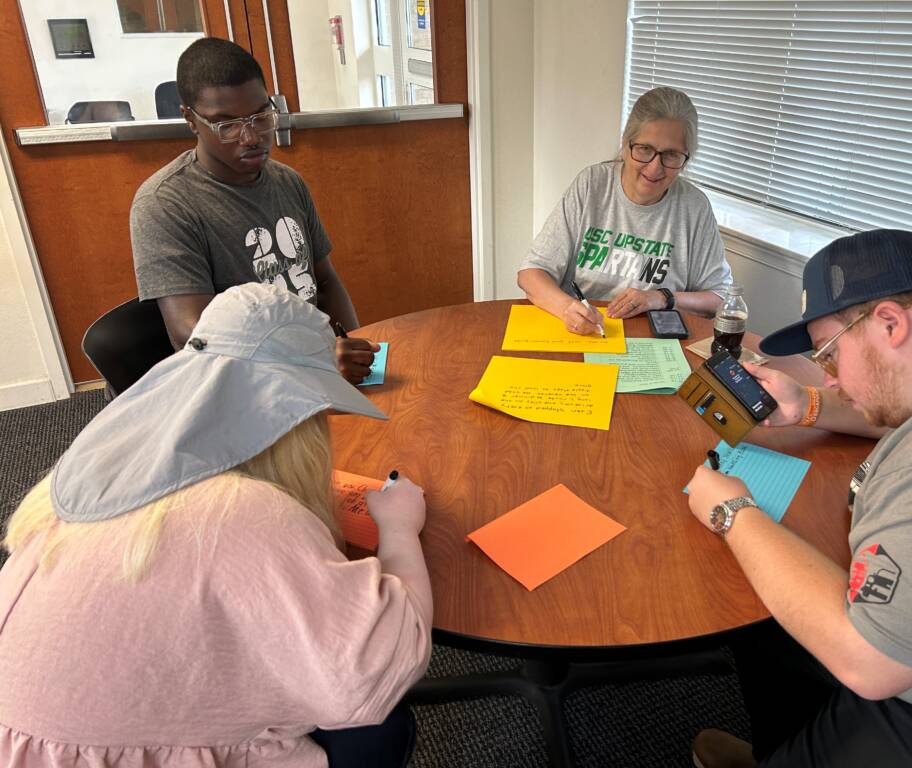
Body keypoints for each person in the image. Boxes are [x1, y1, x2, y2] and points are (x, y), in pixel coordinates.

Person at [0, 284, 432, 767]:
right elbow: (375, 668)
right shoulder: (245, 514)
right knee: (380, 729)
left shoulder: (92, 473)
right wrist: (399, 530)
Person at [685, 229, 912, 767]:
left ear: (890, 323)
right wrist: (807, 405)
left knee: (776, 592)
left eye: (830, 354)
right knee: (767, 626)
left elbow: (871, 662)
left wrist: (732, 513)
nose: (834, 378)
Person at [131, 37, 379, 384]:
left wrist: (353, 348)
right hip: (240, 384)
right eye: (227, 125)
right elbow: (194, 334)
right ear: (190, 119)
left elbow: (324, 281)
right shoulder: (165, 204)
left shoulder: (287, 181)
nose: (251, 137)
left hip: (314, 369)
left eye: (261, 116)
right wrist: (314, 360)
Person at [517, 86, 732, 336]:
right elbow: (530, 274)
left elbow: (720, 298)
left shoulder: (694, 206)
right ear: (626, 144)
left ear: (686, 158)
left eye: (671, 155)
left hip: (654, 339)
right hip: (584, 332)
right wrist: (567, 308)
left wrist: (662, 297)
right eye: (645, 149)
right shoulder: (592, 184)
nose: (654, 168)